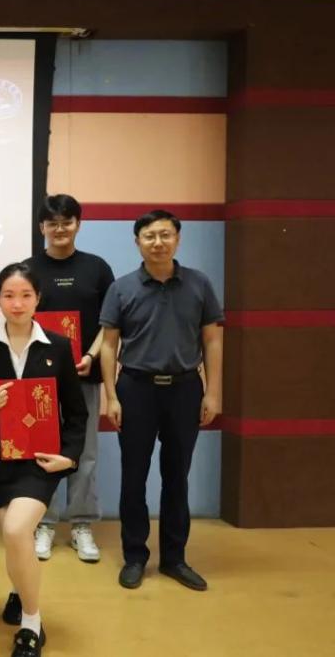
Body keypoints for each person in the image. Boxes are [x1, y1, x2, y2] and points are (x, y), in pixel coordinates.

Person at [0, 263, 87, 657]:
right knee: (16, 540)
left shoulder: (58, 347)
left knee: (17, 531)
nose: (17, 303)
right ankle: (19, 591)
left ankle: (32, 623)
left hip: (40, 462)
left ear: (38, 299)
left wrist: (68, 457)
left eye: (25, 295)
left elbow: (77, 412)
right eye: (9, 296)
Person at [100, 209, 223, 593]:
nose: (158, 242)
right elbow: (109, 345)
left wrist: (213, 391)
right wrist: (111, 395)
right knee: (133, 476)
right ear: (137, 242)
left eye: (165, 235)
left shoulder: (199, 284)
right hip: (135, 389)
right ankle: (135, 557)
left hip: (185, 390)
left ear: (177, 239)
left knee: (177, 476)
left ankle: (174, 558)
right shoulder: (122, 288)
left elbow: (212, 340)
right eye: (149, 236)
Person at [25, 195, 115, 563]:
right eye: (52, 222)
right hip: (39, 379)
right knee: (42, 449)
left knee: (85, 452)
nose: (59, 229)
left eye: (67, 221)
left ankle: (81, 524)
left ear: (78, 224)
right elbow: (20, 318)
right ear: (41, 227)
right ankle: (43, 522)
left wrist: (90, 355)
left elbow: (111, 323)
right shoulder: (29, 269)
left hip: (84, 373)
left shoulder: (97, 268)